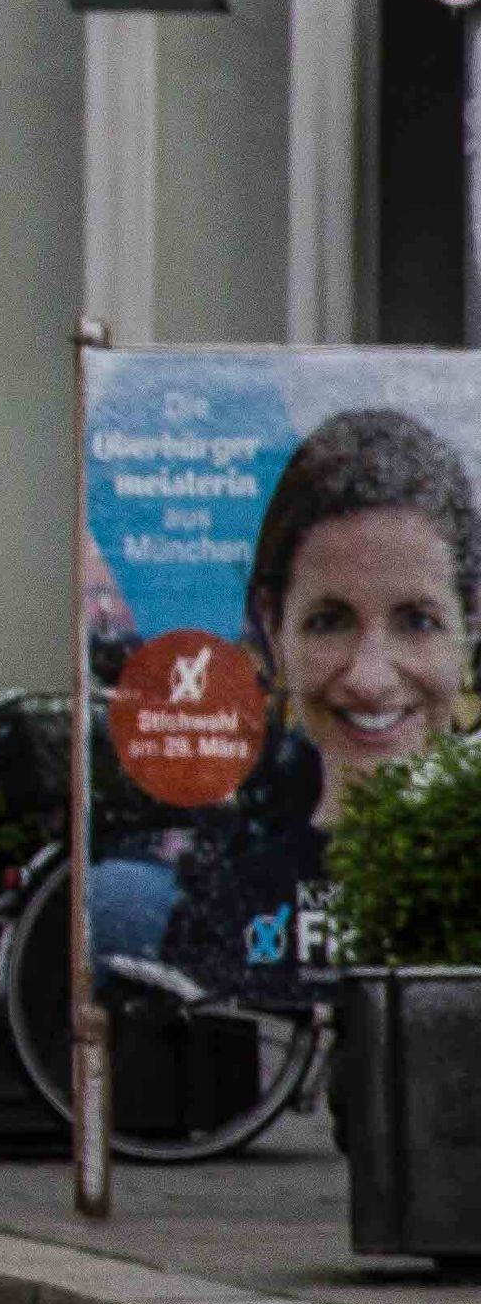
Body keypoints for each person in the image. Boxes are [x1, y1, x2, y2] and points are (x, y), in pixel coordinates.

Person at [146, 403, 480, 992]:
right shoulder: (228, 905)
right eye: (329, 621)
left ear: (471, 620)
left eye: (416, 621)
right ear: (273, 627)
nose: (370, 678)